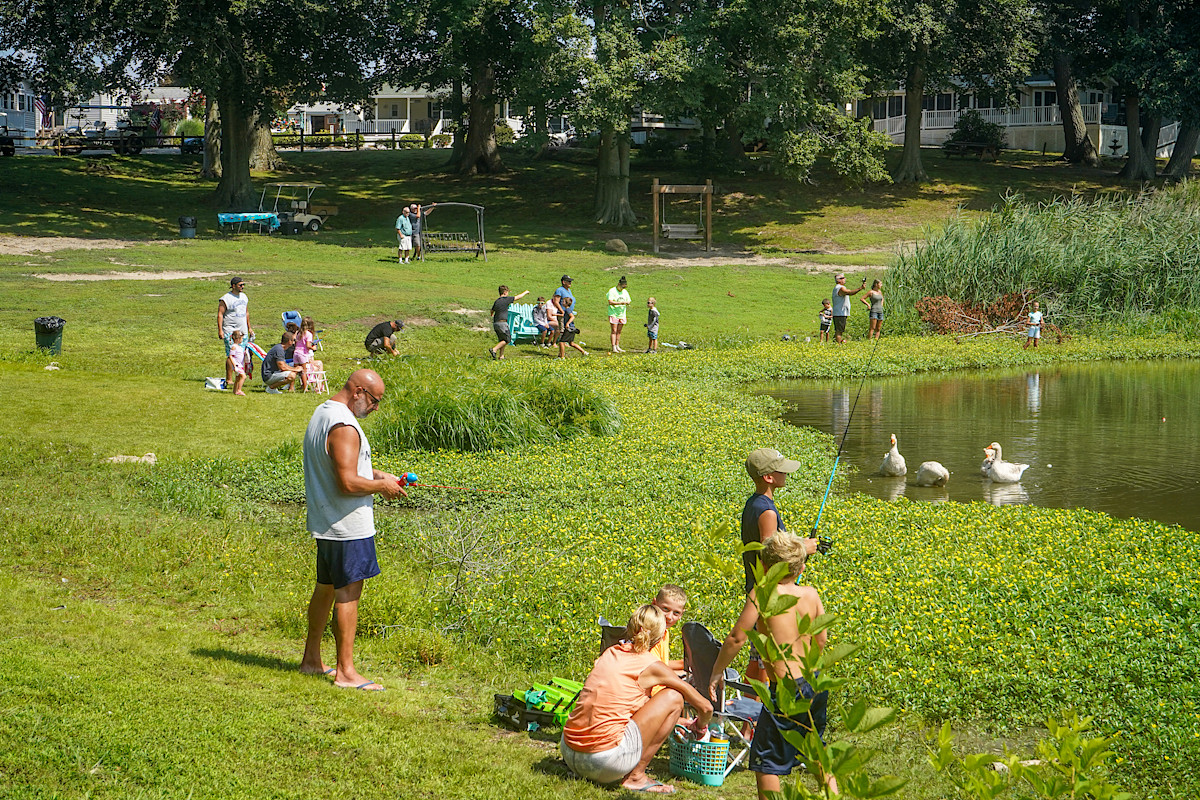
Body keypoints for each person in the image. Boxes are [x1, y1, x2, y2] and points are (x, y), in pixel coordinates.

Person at [709, 533, 838, 799]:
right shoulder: (811, 595)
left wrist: (717, 671)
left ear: (764, 567)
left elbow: (737, 638)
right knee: (815, 748)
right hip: (814, 682)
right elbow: (822, 639)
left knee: (766, 759)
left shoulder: (763, 594)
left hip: (786, 688)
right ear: (801, 568)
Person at [299, 369, 407, 691]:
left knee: (326, 589)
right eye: (374, 401)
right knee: (348, 594)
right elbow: (346, 482)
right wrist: (380, 487)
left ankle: (311, 661)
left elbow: (341, 464)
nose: (375, 408)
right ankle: (346, 672)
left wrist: (376, 473)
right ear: (358, 391)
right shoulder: (344, 425)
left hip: (327, 523)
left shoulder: (323, 412)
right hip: (348, 526)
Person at [561, 605, 713, 793]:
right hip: (604, 763)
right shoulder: (651, 664)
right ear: (660, 637)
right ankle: (636, 776)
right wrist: (701, 727)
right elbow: (705, 708)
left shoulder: (610, 653)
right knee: (674, 697)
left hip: (569, 752)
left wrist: (682, 722)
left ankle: (613, 769)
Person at [741, 448, 820, 681]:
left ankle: (747, 708)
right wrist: (803, 550)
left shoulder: (754, 503)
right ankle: (761, 712)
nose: (786, 473)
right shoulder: (767, 512)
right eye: (781, 470)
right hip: (769, 593)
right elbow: (770, 556)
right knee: (768, 661)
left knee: (757, 658)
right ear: (769, 477)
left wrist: (797, 543)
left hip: (759, 588)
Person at [217, 276, 253, 387]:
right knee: (231, 354)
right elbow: (220, 314)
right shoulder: (226, 298)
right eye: (240, 285)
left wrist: (249, 327)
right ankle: (229, 379)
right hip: (230, 330)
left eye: (243, 285)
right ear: (233, 286)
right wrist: (220, 330)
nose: (242, 287)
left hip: (242, 331)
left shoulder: (244, 297)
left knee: (241, 354)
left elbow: (246, 312)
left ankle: (239, 376)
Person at [649, 585, 686, 673]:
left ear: (681, 615)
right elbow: (652, 668)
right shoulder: (650, 632)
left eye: (676, 613)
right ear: (654, 603)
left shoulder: (664, 632)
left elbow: (661, 663)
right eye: (665, 609)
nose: (669, 617)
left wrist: (683, 664)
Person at [489, 285, 530, 360]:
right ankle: (494, 349)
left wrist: (492, 314)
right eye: (507, 292)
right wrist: (525, 292)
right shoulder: (505, 299)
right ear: (505, 292)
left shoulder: (497, 301)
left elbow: (492, 311)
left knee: (502, 340)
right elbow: (518, 297)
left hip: (496, 323)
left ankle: (501, 356)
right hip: (502, 323)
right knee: (508, 339)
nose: (508, 294)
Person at [831, 273, 866, 344]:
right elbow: (849, 292)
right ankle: (838, 345)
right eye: (843, 278)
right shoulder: (840, 288)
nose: (845, 279)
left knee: (839, 329)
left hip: (840, 312)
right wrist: (860, 288)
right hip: (840, 313)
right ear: (839, 280)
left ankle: (835, 343)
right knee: (839, 331)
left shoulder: (838, 287)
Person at [607, 276, 631, 353]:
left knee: (619, 331)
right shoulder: (612, 291)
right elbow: (610, 302)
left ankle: (617, 345)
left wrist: (627, 303)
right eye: (622, 286)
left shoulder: (625, 292)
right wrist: (621, 303)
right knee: (614, 330)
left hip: (622, 313)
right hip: (614, 313)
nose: (623, 288)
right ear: (619, 284)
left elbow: (628, 300)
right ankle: (613, 346)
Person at [292, 315, 316, 392]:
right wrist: (313, 348)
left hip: (295, 353)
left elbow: (296, 343)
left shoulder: (299, 333)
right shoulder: (309, 334)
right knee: (303, 371)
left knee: (295, 370)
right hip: (303, 354)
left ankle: (291, 387)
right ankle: (305, 388)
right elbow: (308, 345)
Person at [227, 329, 248, 396]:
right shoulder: (234, 347)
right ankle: (239, 390)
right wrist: (234, 365)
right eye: (241, 338)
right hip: (237, 365)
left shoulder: (239, 347)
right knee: (244, 377)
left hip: (240, 365)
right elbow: (231, 356)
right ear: (237, 339)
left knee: (237, 378)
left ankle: (234, 391)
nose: (242, 340)